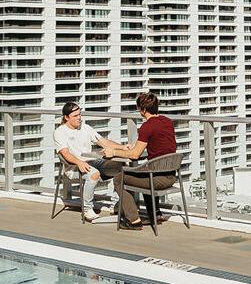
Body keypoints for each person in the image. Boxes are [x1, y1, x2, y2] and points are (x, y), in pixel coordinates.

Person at [103, 92, 177, 230]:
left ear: (142, 110)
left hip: (157, 180)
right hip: (171, 176)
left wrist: (113, 152)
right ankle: (156, 214)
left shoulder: (147, 127)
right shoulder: (167, 122)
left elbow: (135, 155)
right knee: (146, 172)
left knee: (119, 178)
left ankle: (133, 220)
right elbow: (158, 145)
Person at [52, 102, 123, 221]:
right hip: (73, 167)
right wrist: (79, 162)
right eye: (75, 116)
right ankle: (87, 209)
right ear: (66, 117)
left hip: (92, 161)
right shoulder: (60, 132)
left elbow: (103, 142)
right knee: (93, 173)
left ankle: (116, 205)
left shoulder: (85, 127)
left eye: (80, 114)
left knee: (120, 168)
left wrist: (123, 147)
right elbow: (65, 153)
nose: (79, 118)